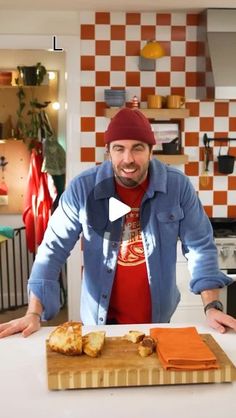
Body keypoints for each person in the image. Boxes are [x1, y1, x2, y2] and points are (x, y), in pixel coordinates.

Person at [0, 108, 235, 338]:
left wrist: (211, 306)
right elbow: (52, 248)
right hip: (98, 322)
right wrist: (33, 312)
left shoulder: (177, 187)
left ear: (152, 150)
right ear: (108, 151)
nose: (128, 159)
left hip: (158, 320)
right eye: (119, 149)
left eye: (137, 148)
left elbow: (200, 246)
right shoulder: (83, 189)